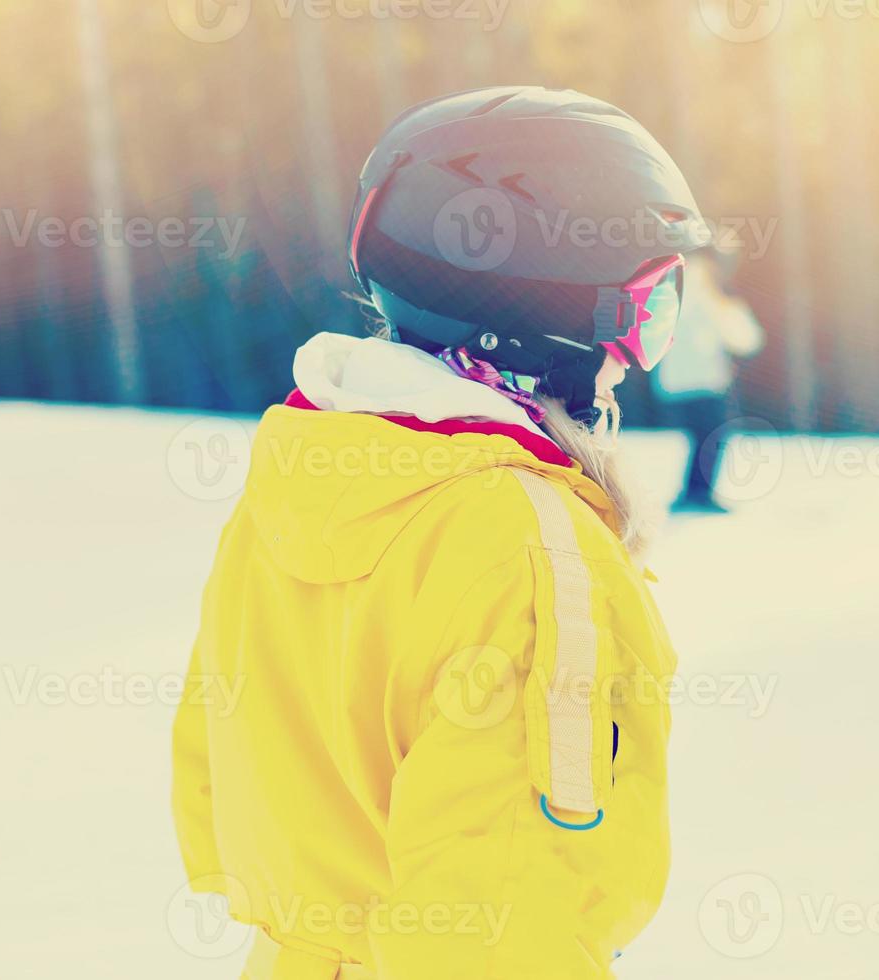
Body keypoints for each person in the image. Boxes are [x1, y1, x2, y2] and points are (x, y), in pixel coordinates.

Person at [172, 86, 708, 979]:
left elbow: (214, 783)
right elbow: (493, 924)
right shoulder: (529, 550)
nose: (636, 355)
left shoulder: (301, 481)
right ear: (549, 314)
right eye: (647, 308)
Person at [652, 244, 765, 514]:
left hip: (675, 379)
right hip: (705, 380)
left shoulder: (670, 284)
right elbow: (746, 340)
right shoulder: (710, 291)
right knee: (713, 435)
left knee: (701, 436)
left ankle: (692, 492)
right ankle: (698, 494)